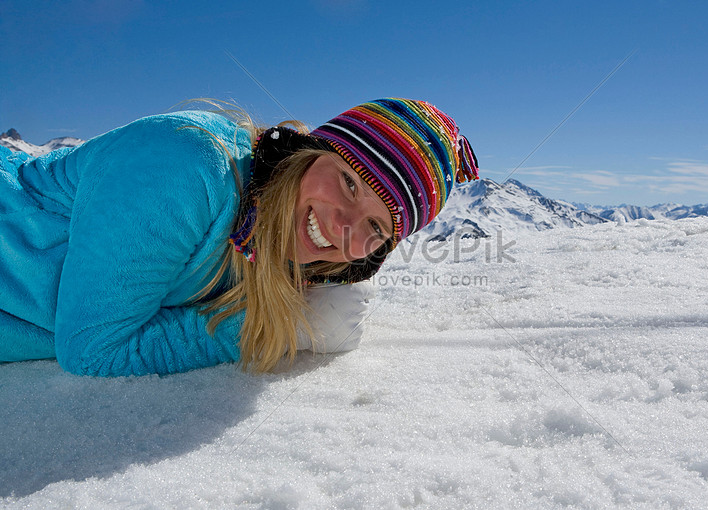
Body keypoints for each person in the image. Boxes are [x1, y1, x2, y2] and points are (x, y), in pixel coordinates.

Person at [0, 98, 479, 376]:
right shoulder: (186, 164)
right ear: (309, 153)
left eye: (376, 227)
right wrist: (280, 328)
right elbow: (92, 349)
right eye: (349, 182)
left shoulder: (285, 239)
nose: (342, 226)